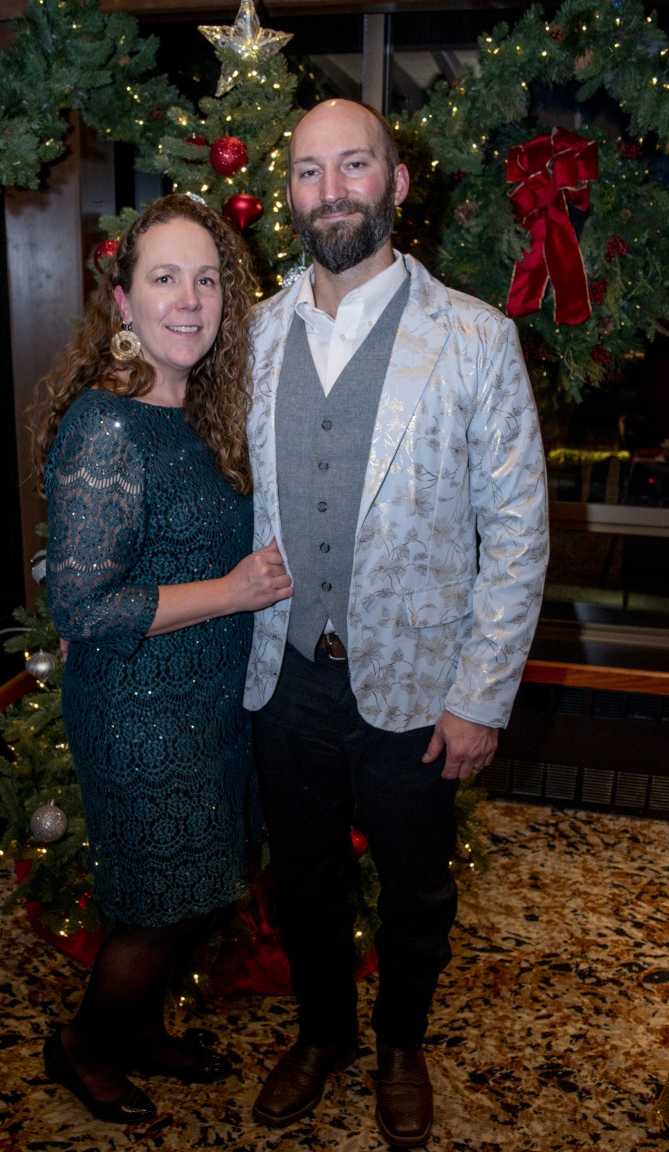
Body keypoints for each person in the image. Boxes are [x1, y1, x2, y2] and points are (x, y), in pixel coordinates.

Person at [244, 100, 549, 1146]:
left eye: (354, 165)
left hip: (421, 683)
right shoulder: (253, 335)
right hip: (283, 674)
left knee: (417, 889)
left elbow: (518, 532)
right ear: (290, 192)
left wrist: (481, 697)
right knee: (305, 880)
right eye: (309, 171)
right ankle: (325, 1034)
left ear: (397, 182)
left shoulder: (476, 338)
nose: (331, 191)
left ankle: (400, 1045)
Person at [32, 193, 292, 1124]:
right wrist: (233, 591)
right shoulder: (106, 425)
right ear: (124, 301)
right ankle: (83, 1047)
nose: (189, 300)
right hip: (139, 711)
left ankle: (139, 1030)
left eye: (207, 280)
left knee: (198, 892)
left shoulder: (201, 416)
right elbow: (81, 606)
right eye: (165, 278)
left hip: (210, 702)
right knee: (156, 907)